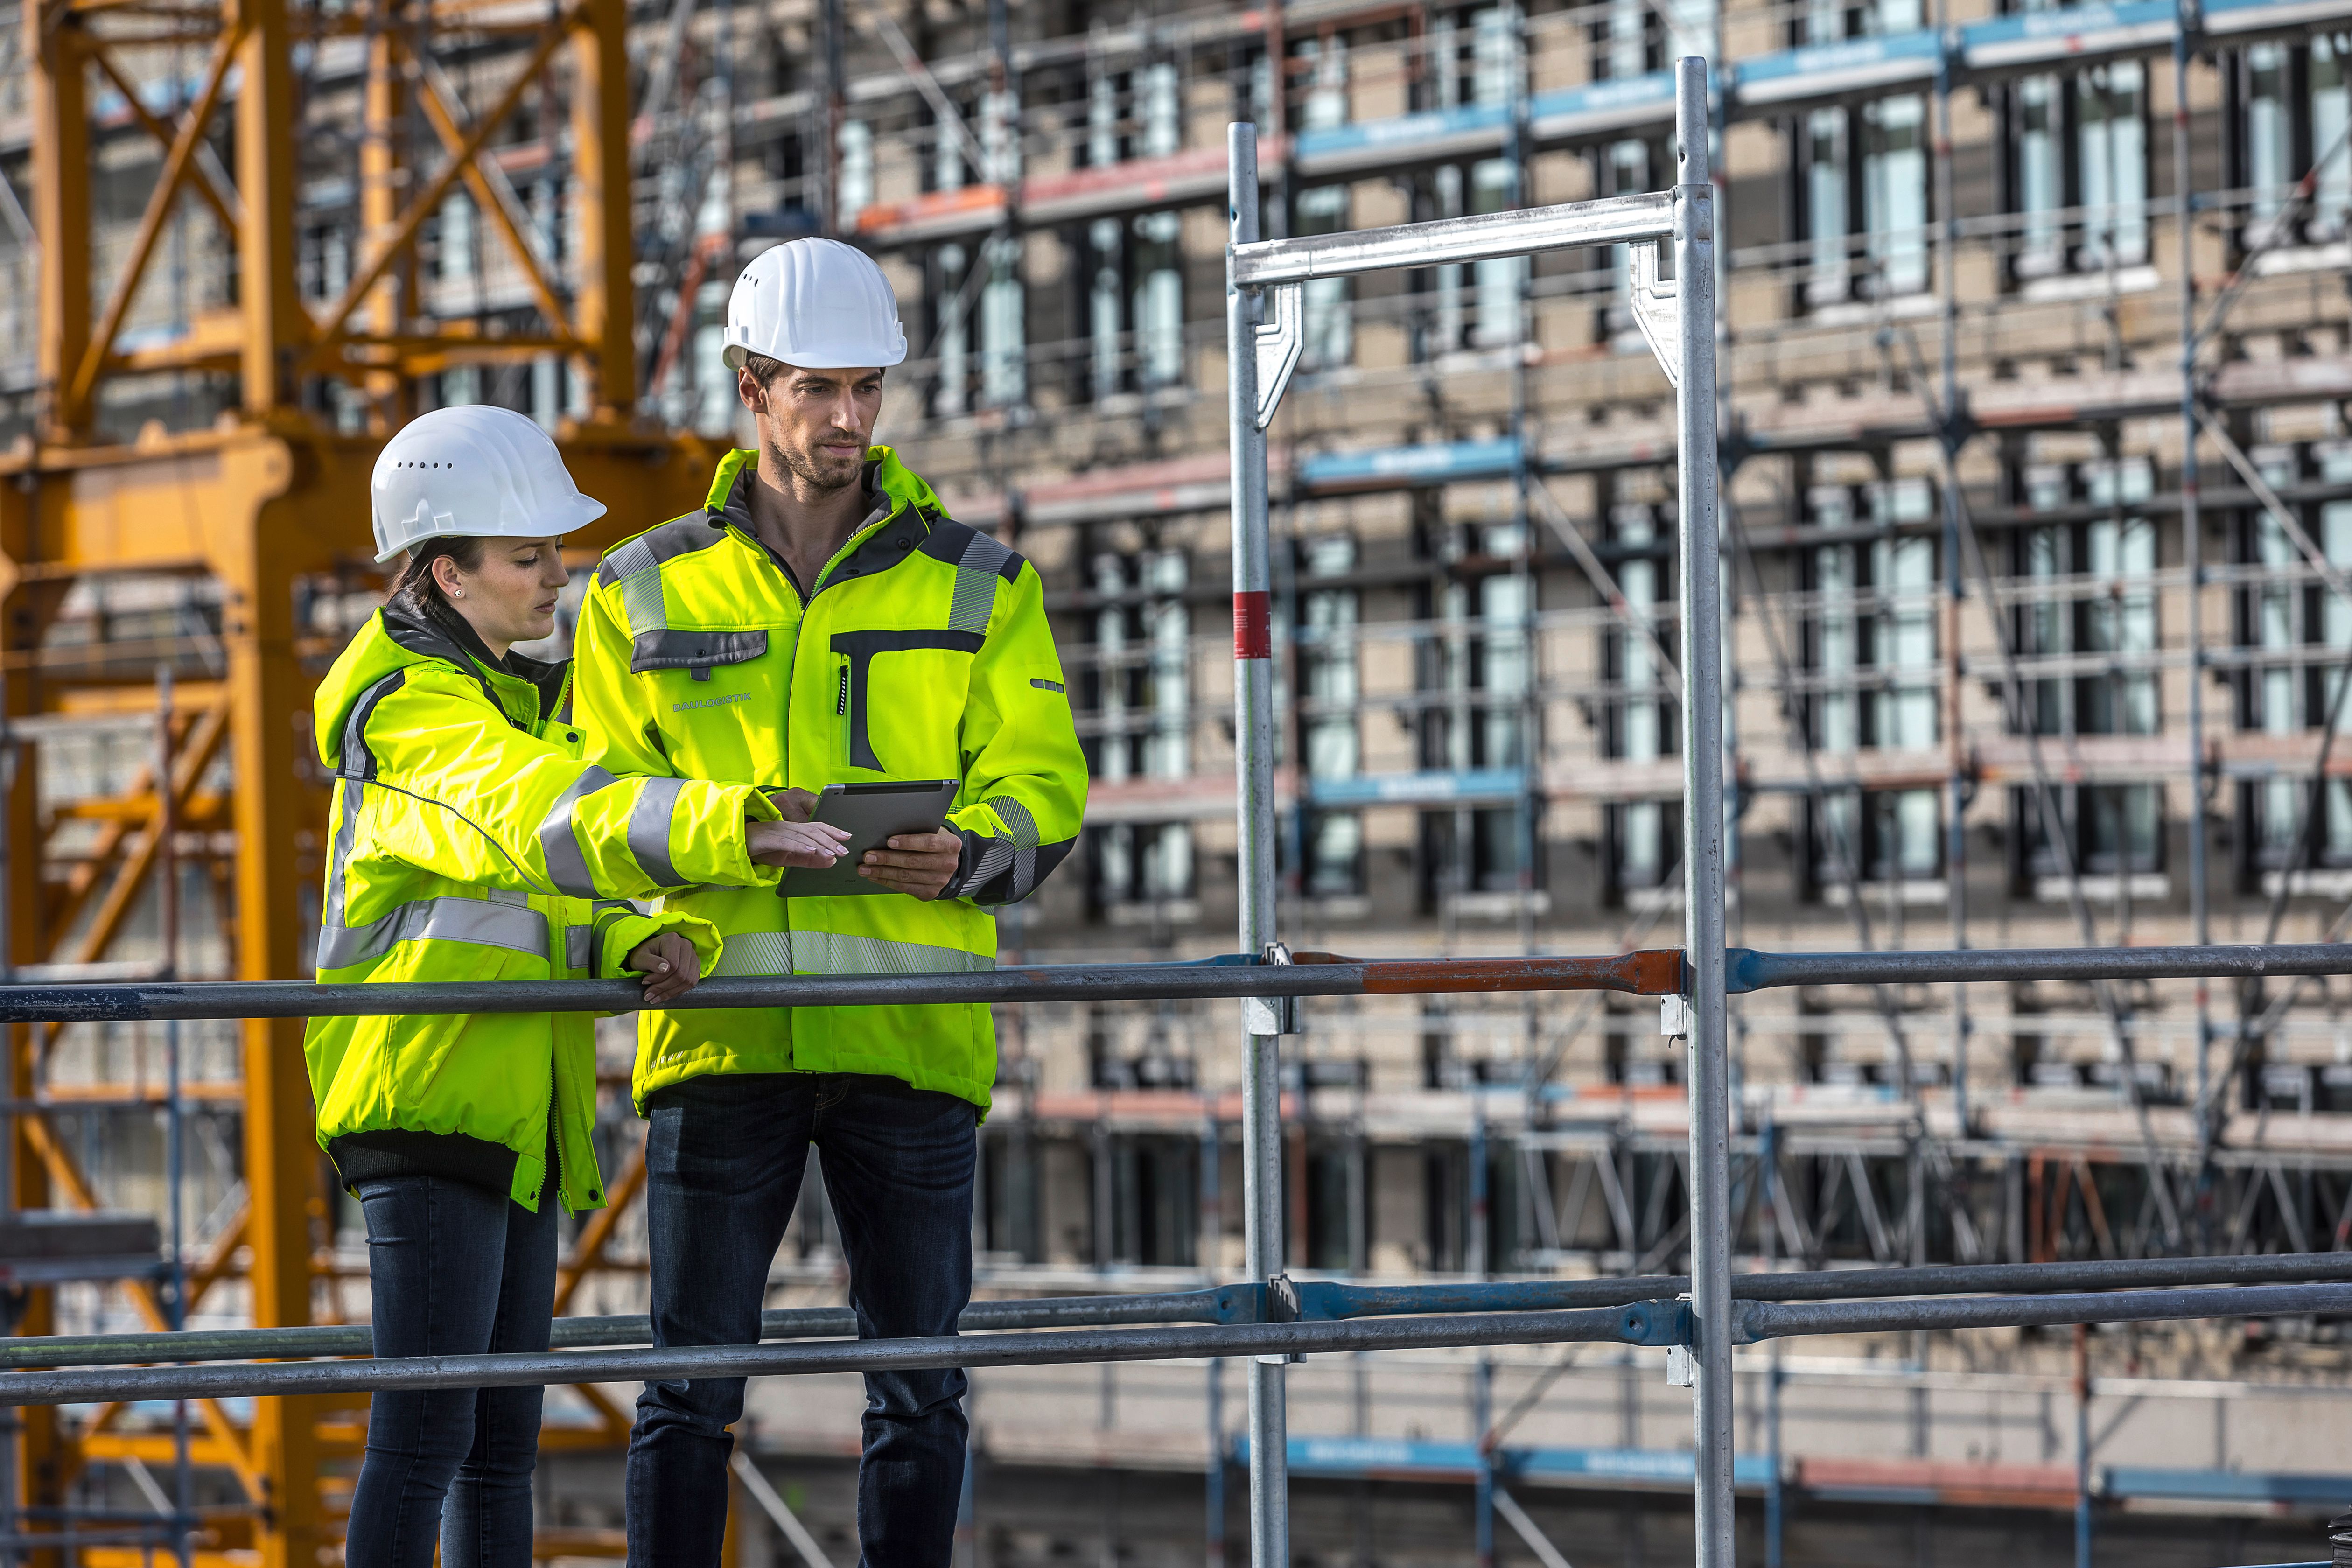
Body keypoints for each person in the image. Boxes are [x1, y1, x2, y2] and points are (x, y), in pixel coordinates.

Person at [571, 237, 1089, 1568]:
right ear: (750, 388)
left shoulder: (982, 581)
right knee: (690, 1390)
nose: (850, 420)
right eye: (819, 390)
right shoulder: (636, 589)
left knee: (918, 1387)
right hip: (721, 1034)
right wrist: (642, 936)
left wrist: (972, 851)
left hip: (910, 1035)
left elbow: (1044, 786)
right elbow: (590, 814)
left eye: (868, 390)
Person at [309, 404, 852, 1568]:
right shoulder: (414, 712)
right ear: (447, 574)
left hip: (506, 1104)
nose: (559, 578)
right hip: (429, 1095)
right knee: (423, 1441)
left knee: (501, 1443)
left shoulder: (499, 693)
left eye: (556, 552)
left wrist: (618, 944)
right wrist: (728, 829)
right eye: (528, 557)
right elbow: (538, 819)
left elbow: (509, 900)